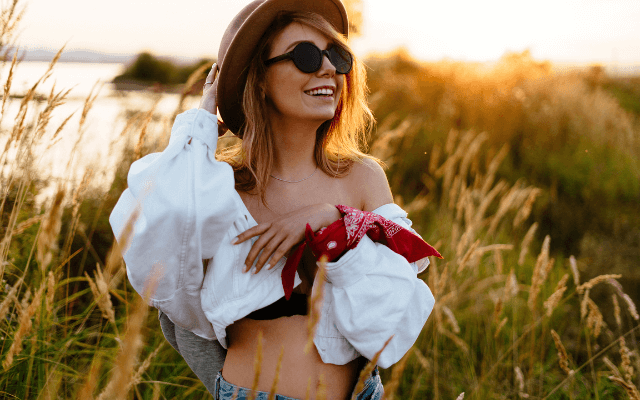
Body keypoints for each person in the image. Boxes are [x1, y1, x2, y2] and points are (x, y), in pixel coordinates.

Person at [109, 1, 439, 399]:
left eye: (337, 56)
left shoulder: (362, 178)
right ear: (259, 79)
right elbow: (160, 243)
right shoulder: (219, 187)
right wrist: (201, 120)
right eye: (305, 56)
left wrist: (334, 220)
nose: (328, 69)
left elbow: (396, 318)